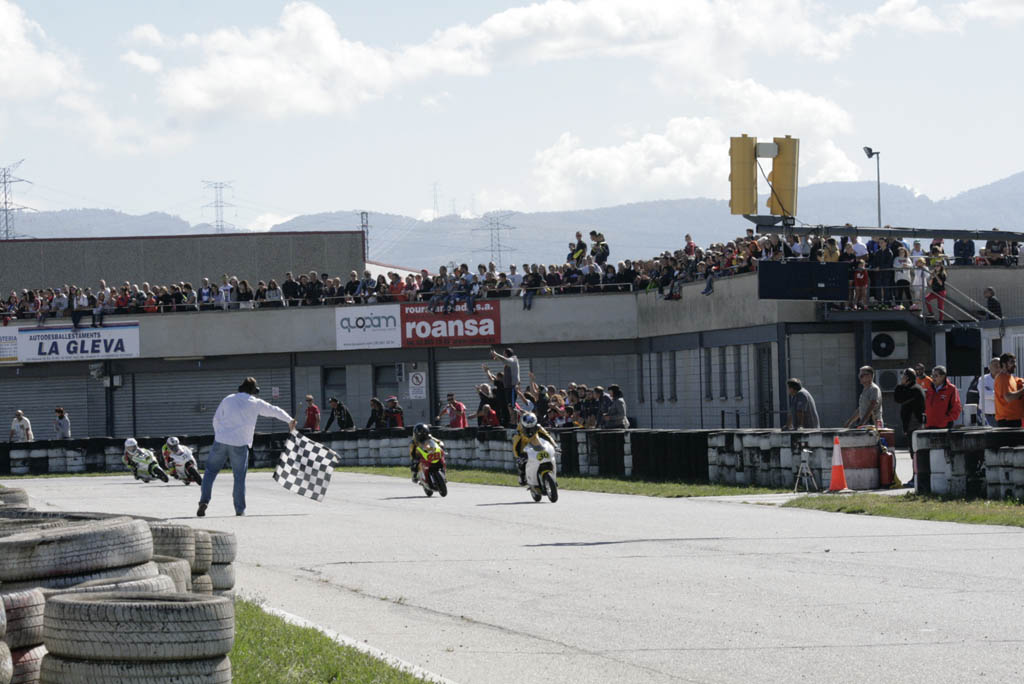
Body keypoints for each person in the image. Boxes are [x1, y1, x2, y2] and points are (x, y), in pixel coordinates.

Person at [197, 377, 296, 517]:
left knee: (210, 472)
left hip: (221, 441)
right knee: (239, 477)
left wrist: (219, 434)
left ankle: (204, 501)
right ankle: (240, 509)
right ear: (253, 391)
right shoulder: (255, 403)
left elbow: (216, 419)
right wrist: (289, 420)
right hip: (240, 444)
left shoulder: (228, 399)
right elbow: (274, 410)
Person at [894, 369, 926, 488]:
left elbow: (898, 398)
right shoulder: (910, 389)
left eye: (903, 376)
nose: (901, 378)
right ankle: (915, 477)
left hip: (915, 425)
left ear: (907, 378)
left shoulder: (914, 390)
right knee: (914, 453)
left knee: (915, 453)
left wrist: (900, 385)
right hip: (911, 425)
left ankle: (916, 478)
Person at [511, 412, 553, 485]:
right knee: (522, 462)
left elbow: (547, 436)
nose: (530, 430)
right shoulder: (518, 432)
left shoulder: (538, 427)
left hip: (536, 443)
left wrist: (555, 446)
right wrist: (517, 457)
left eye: (532, 427)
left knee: (547, 455)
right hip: (523, 446)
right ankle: (522, 475)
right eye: (528, 428)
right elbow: (515, 446)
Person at [924, 366, 961, 430]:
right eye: (932, 376)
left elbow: (956, 408)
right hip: (929, 425)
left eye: (936, 376)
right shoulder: (929, 388)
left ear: (943, 376)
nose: (933, 378)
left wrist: (946, 420)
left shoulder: (951, 389)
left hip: (944, 426)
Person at [994, 353, 1024, 428]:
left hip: (1015, 420)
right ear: (1004, 364)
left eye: (1015, 362)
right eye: (1012, 362)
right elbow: (1008, 398)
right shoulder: (1001, 378)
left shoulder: (1011, 378)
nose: (1015, 365)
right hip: (1007, 421)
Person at [976, 357, 1001, 427]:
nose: (997, 367)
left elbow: (1006, 395)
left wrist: (991, 392)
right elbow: (984, 394)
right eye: (995, 365)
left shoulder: (1005, 379)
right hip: (986, 416)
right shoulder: (983, 379)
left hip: (1001, 416)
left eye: (999, 365)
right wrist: (999, 394)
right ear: (989, 367)